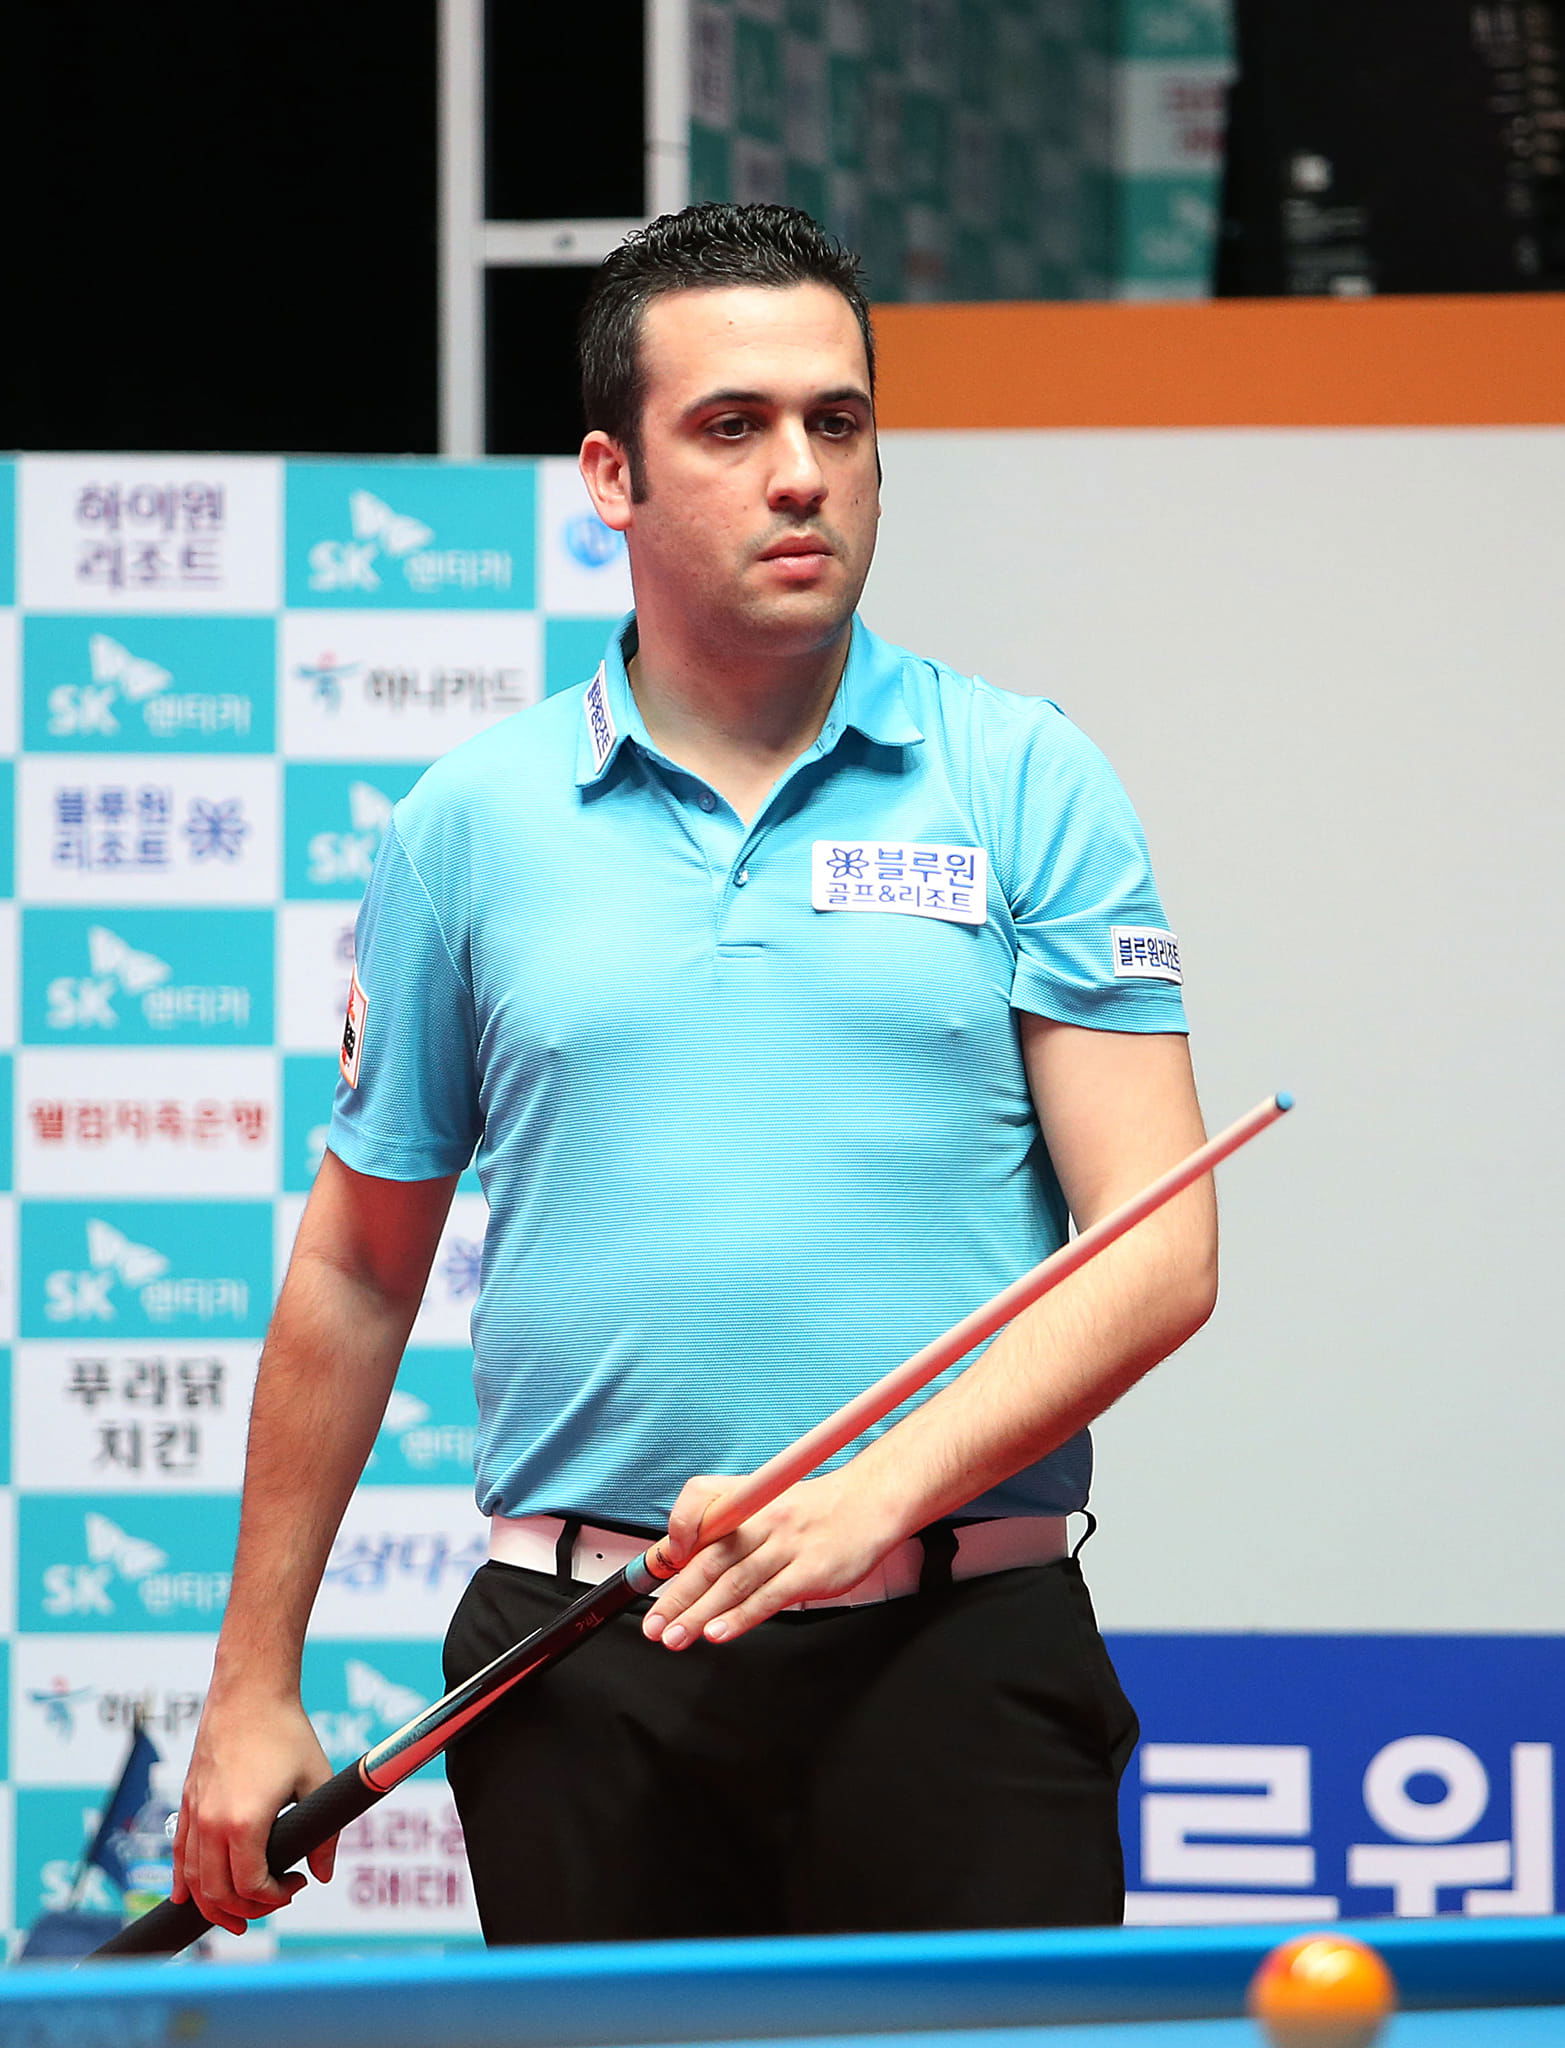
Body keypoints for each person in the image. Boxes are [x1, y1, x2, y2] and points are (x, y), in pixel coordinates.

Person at [174, 203, 1217, 1945]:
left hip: (956, 1649)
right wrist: (251, 1680)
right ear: (612, 476)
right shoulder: (467, 824)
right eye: (731, 426)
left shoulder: (1025, 778)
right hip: (583, 1661)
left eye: (837, 421)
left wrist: (871, 1495)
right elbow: (358, 1267)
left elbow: (1157, 1246)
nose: (799, 474)